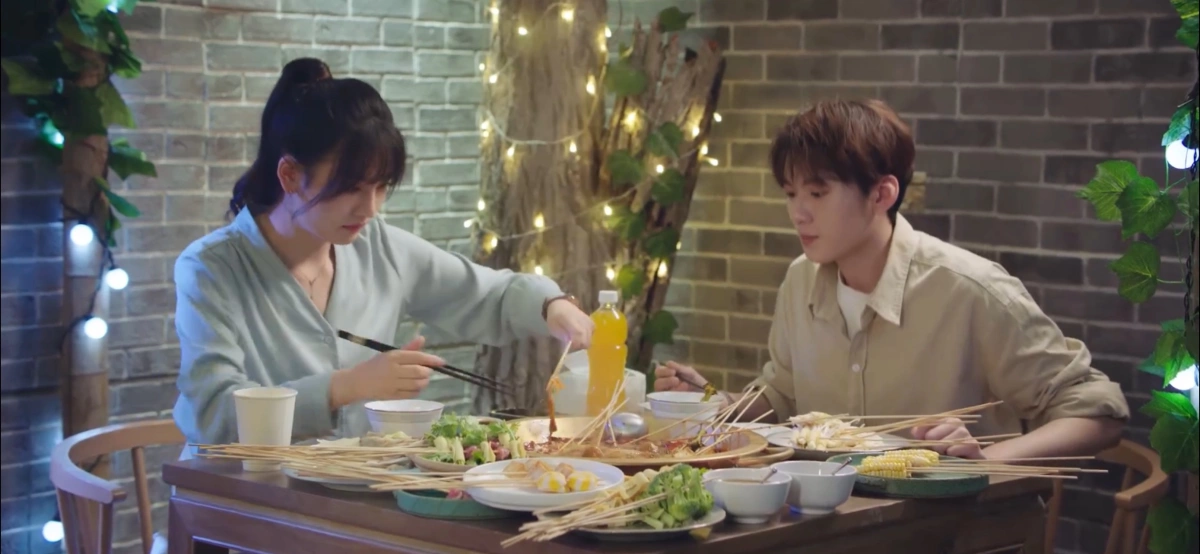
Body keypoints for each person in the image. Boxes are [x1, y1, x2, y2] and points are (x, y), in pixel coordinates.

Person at [654, 99, 1129, 460]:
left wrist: (986, 460)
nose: (798, 213)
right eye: (791, 193)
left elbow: (1097, 411)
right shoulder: (801, 281)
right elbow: (782, 395)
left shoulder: (970, 289)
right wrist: (713, 401)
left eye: (817, 193)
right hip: (833, 524)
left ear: (881, 194)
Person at [172, 58, 594, 450]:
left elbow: (487, 295)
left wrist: (551, 305)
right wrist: (345, 387)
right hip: (238, 498)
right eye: (352, 188)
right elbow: (213, 413)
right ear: (290, 175)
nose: (370, 208)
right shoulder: (211, 268)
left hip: (352, 494)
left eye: (380, 187)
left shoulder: (378, 246)